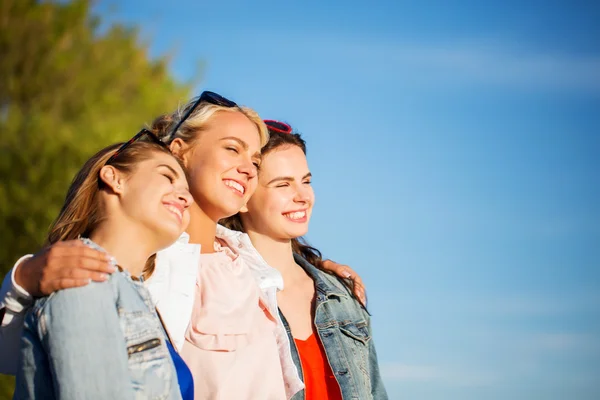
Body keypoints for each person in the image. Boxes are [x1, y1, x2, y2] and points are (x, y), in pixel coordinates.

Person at [1, 91, 365, 399]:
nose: (248, 168)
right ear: (181, 150)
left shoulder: (249, 263)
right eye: (232, 149)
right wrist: (24, 278)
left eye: (254, 160)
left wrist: (317, 270)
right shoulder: (149, 259)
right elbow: (30, 352)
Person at [13, 132, 194, 399]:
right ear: (115, 178)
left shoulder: (137, 296)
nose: (186, 198)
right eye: (167, 176)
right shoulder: (84, 277)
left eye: (188, 192)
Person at [221, 121, 388, 399]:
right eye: (283, 184)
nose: (302, 197)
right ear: (244, 197)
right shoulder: (224, 290)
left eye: (306, 181)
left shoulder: (341, 296)